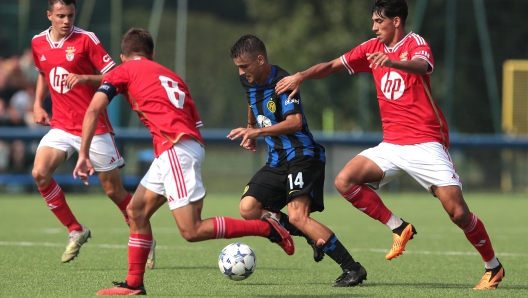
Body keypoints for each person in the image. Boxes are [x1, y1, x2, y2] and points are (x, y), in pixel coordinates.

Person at [275, 0, 504, 290]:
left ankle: (493, 267)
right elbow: (334, 65)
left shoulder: (415, 43)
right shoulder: (371, 47)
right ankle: (399, 226)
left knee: (458, 212)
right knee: (345, 180)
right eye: (373, 21)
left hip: (425, 142)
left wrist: (393, 61)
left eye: (378, 22)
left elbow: (423, 65)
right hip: (392, 145)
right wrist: (302, 76)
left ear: (396, 21)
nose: (373, 27)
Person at [73, 28, 295, 296]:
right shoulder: (172, 76)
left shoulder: (123, 70)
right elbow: (194, 122)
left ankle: (266, 228)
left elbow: (94, 108)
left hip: (174, 147)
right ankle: (134, 284)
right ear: (152, 54)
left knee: (191, 230)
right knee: (137, 212)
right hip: (182, 145)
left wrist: (83, 154)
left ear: (123, 57)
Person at [227, 34, 367, 288]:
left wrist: (257, 132)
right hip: (277, 160)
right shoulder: (246, 79)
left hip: (303, 157)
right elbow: (251, 99)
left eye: (245, 66)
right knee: (248, 208)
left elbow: (295, 122)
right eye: (238, 66)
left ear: (260, 59)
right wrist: (250, 126)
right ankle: (312, 236)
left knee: (298, 216)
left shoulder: (284, 82)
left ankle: (353, 268)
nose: (241, 71)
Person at [31, 0, 156, 268]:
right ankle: (75, 229)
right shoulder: (38, 42)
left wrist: (86, 78)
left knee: (114, 190)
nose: (67, 21)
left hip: (94, 126)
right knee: (40, 173)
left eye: (71, 15)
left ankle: (144, 233)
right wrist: (37, 104)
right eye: (61, 16)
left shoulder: (87, 40)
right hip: (62, 125)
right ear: (49, 15)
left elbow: (117, 75)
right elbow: (43, 73)